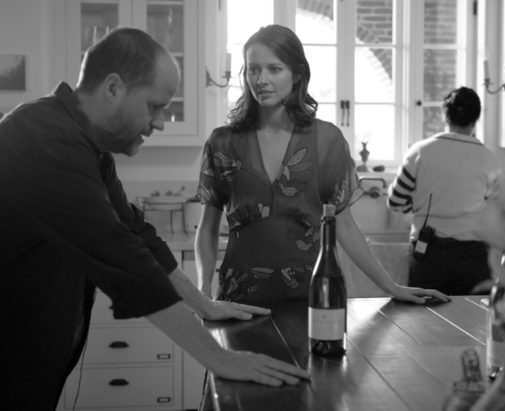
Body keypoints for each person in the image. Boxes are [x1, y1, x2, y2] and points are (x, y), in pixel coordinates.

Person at [0, 28, 309, 411]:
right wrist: (219, 359)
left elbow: (136, 233)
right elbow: (121, 256)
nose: (160, 122)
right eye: (154, 106)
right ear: (114, 88)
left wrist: (202, 304)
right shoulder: (46, 141)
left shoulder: (86, 146)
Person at [195, 24, 449, 305]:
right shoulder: (223, 143)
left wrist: (391, 287)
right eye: (253, 69)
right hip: (237, 300)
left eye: (274, 69)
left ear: (297, 74)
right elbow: (207, 228)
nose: (261, 80)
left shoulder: (326, 140)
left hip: (311, 300)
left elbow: (345, 225)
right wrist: (203, 292)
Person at [387, 87, 500, 296]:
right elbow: (497, 209)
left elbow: (395, 202)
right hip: (473, 256)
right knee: (472, 316)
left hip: (427, 253)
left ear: (444, 115)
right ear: (475, 119)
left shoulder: (419, 152)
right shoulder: (488, 158)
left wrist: (418, 202)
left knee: (424, 315)